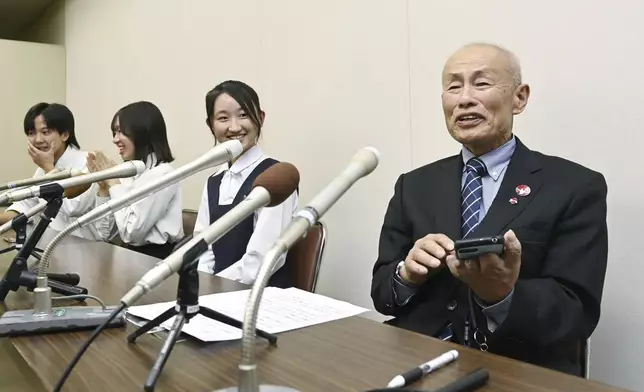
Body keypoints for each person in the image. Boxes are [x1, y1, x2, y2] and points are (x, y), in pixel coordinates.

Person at [370, 43, 608, 377]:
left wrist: (503, 295)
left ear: (519, 98)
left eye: (481, 84)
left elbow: (577, 313)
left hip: (518, 368)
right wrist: (406, 275)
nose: (464, 98)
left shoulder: (574, 186)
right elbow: (383, 293)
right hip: (418, 360)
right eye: (453, 86)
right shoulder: (414, 185)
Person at [194, 80, 298, 287]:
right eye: (223, 118)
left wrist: (215, 287)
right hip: (215, 296)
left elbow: (262, 260)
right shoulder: (214, 181)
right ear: (211, 125)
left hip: (261, 299)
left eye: (243, 115)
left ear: (260, 118)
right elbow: (202, 245)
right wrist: (204, 283)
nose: (234, 127)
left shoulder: (275, 178)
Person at [86, 101, 183, 259]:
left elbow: (131, 233)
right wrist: (104, 187)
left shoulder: (163, 174)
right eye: (114, 132)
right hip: (126, 255)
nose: (115, 139)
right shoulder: (128, 172)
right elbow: (104, 233)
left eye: (120, 131)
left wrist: (114, 183)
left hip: (156, 258)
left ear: (142, 132)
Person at [0, 102, 103, 240]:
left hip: (86, 249)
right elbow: (26, 205)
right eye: (31, 133)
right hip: (51, 247)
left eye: (45, 132)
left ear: (65, 135)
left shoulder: (88, 162)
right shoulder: (43, 168)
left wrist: (49, 168)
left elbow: (72, 207)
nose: (37, 140)